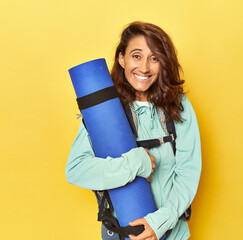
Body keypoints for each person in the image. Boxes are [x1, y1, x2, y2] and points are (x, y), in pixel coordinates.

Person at [66, 21, 201, 240]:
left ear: (163, 63)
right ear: (121, 58)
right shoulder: (103, 111)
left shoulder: (179, 106)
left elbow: (188, 174)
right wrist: (135, 164)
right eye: (136, 56)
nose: (145, 68)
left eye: (154, 58)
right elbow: (76, 169)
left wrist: (158, 224)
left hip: (170, 234)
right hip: (120, 234)